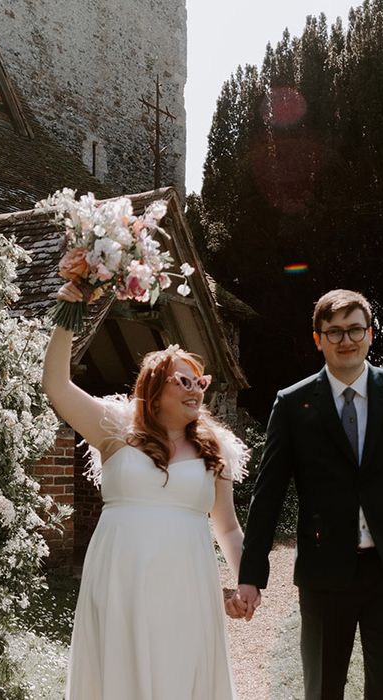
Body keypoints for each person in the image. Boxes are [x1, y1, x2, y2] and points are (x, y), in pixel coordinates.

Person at [233, 289, 383, 700]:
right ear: (318, 339)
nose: (345, 340)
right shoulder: (293, 403)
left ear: (370, 334)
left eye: (354, 329)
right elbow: (268, 495)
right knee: (322, 689)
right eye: (334, 332)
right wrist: (251, 576)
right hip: (324, 573)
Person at [43, 281, 249, 700]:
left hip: (188, 580)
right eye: (184, 381)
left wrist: (247, 581)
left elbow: (226, 527)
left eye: (200, 383)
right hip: (121, 576)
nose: (195, 390)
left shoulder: (217, 447)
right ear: (154, 388)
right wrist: (68, 313)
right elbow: (56, 385)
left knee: (181, 673)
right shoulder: (114, 429)